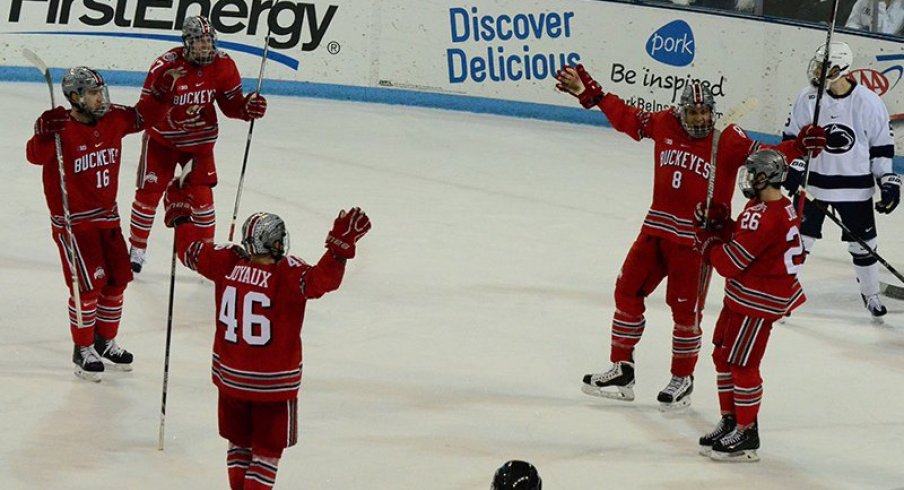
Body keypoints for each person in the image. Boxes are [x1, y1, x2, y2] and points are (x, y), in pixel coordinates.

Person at [553, 64, 825, 409]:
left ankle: (682, 378)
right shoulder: (664, 122)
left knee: (684, 312)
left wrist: (800, 146)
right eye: (694, 111)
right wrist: (592, 94)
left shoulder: (729, 138)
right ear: (681, 111)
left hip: (695, 241)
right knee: (626, 291)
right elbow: (628, 118)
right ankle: (622, 367)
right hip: (656, 230)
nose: (700, 118)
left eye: (706, 111)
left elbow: (767, 154)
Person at [163, 179, 371, 489]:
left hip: (231, 379)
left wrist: (181, 216)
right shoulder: (287, 273)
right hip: (272, 384)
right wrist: (338, 250)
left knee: (239, 444)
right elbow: (320, 281)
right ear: (274, 244)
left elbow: (190, 251)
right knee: (267, 453)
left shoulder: (226, 261)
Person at [26, 67, 173, 382]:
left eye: (102, 92)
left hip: (107, 218)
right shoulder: (60, 127)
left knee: (117, 282)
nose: (101, 98)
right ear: (76, 97)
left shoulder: (113, 119)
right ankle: (82, 349)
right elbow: (34, 156)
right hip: (74, 225)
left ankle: (104, 342)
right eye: (94, 93)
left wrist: (161, 94)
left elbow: (142, 117)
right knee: (87, 288)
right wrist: (40, 132)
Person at [128, 15, 268, 273]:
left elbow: (230, 104)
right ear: (186, 43)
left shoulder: (223, 65)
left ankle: (207, 253)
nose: (205, 47)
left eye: (209, 41)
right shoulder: (165, 66)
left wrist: (246, 107)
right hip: (163, 141)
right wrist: (162, 91)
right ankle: (137, 249)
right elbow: (144, 111)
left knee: (203, 198)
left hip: (200, 142)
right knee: (148, 194)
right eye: (199, 42)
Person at [694, 149, 807, 462]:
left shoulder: (767, 216)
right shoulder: (768, 206)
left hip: (758, 299)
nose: (747, 178)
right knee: (722, 355)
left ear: (765, 177)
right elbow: (745, 237)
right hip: (745, 293)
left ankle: (747, 431)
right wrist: (722, 226)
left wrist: (707, 243)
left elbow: (731, 262)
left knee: (742, 364)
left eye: (752, 173)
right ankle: (731, 419)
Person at [782, 41, 901, 322]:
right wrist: (795, 167)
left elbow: (881, 148)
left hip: (855, 189)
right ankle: (783, 294)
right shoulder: (807, 98)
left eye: (825, 67)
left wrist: (887, 180)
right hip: (813, 186)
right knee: (800, 241)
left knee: (864, 245)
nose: (818, 71)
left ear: (841, 69)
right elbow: (791, 139)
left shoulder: (869, 102)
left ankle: (871, 295)